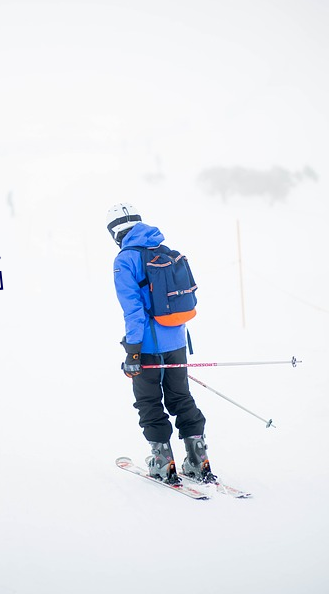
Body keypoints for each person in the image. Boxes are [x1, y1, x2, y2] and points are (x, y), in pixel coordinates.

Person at [107, 202, 215, 484]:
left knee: (149, 401)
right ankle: (198, 459)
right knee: (180, 397)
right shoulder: (165, 251)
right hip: (177, 340)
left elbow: (133, 311)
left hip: (147, 346)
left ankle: (162, 461)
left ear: (115, 232)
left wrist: (133, 352)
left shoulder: (124, 260)